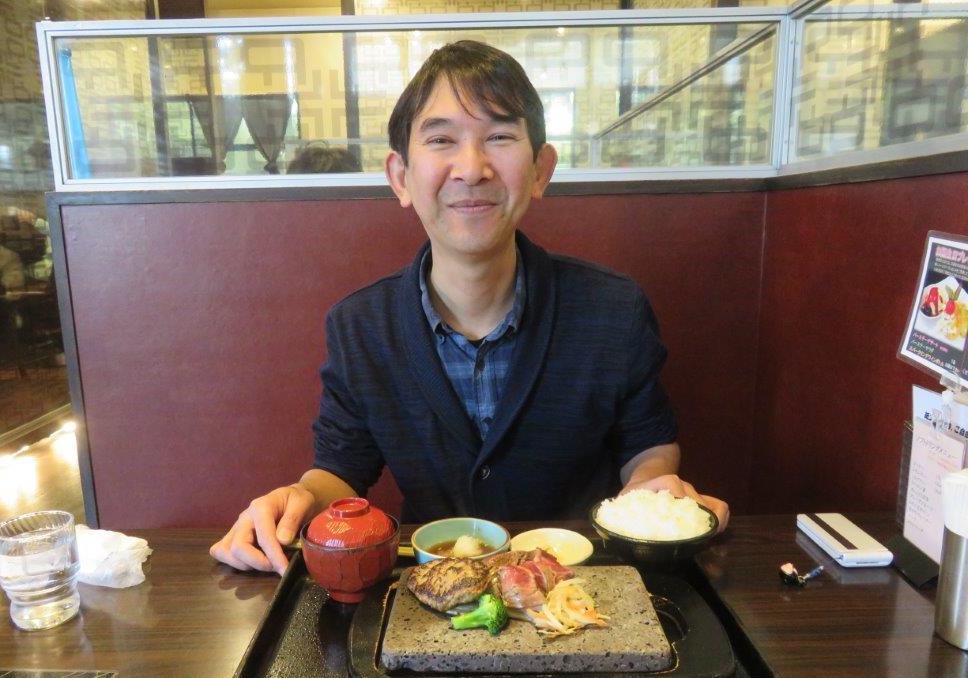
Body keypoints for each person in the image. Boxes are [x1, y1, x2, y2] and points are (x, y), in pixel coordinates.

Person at [211, 40, 728, 575]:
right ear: (401, 177)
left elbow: (648, 446)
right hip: (431, 590)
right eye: (441, 139)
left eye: (499, 137)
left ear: (541, 169)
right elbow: (341, 468)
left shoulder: (613, 309)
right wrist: (295, 501)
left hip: (581, 585)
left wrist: (652, 497)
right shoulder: (361, 325)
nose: (472, 167)